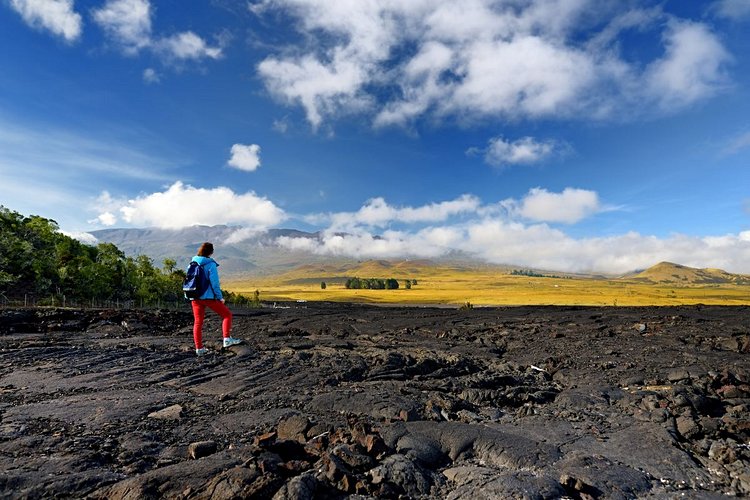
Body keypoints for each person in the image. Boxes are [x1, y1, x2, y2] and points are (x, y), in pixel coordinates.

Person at [188, 242, 241, 356]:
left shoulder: (192, 263)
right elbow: (215, 283)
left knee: (198, 322)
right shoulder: (210, 264)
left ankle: (199, 349)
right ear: (211, 252)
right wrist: (220, 297)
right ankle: (226, 339)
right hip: (208, 297)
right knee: (227, 315)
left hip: (195, 297)